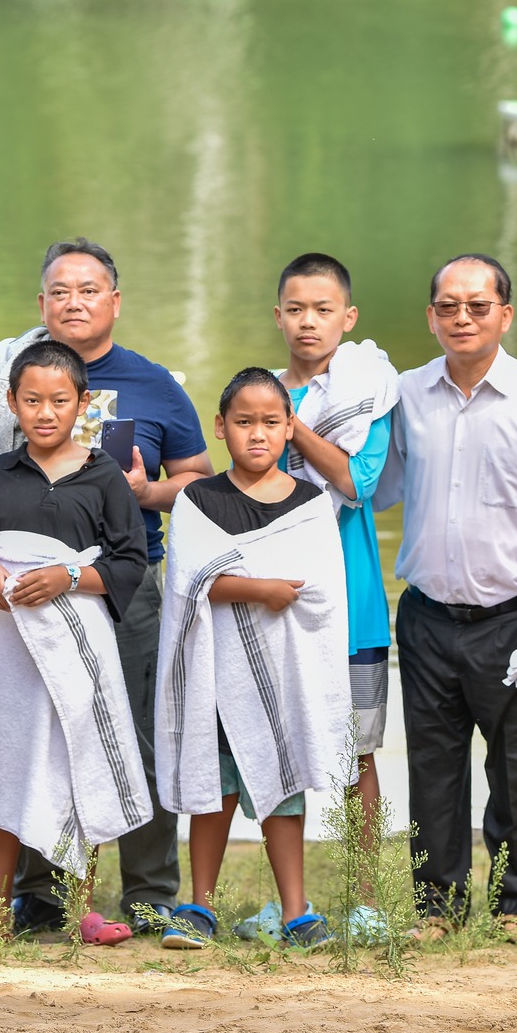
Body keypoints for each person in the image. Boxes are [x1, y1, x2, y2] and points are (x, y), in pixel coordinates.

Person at [0, 238, 212, 933]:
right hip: (28, 593)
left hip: (125, 587)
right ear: (41, 303)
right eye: (60, 290)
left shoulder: (155, 383)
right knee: (36, 729)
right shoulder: (12, 382)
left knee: (134, 728)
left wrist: (148, 488)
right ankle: (39, 893)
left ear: (115, 300)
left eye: (89, 288)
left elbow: (198, 478)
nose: (74, 300)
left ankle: (151, 889)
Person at [376, 253, 517, 943]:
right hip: (428, 614)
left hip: (516, 616)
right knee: (432, 768)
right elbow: (376, 486)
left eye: (477, 305)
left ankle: (512, 905)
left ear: (505, 313)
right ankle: (436, 908)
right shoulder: (405, 395)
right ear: (430, 316)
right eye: (447, 306)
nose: (461, 317)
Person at [0, 340, 152, 945]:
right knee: (3, 759)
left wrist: (68, 576)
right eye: (32, 400)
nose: (45, 413)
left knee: (80, 756)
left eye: (60, 401)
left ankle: (81, 908)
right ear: (12, 403)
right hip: (8, 643)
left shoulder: (105, 477)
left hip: (78, 642)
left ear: (83, 403)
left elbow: (129, 562)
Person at [155, 368, 350, 952]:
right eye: (243, 422)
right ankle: (198, 906)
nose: (257, 434)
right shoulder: (197, 498)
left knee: (283, 792)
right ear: (221, 427)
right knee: (214, 792)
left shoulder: (311, 503)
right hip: (216, 674)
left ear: (290, 427)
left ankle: (296, 910)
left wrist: (245, 582)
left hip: (283, 678)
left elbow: (320, 592)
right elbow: (187, 584)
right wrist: (259, 590)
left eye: (271, 422)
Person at [260, 251, 398, 943]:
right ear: (277, 315)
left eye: (322, 309)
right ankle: (291, 902)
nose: (307, 321)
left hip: (353, 597)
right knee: (277, 748)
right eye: (295, 308)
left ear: (348, 317)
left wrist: (294, 426)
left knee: (358, 753)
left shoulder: (365, 394)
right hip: (276, 596)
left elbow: (355, 482)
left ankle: (365, 897)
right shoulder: (260, 398)